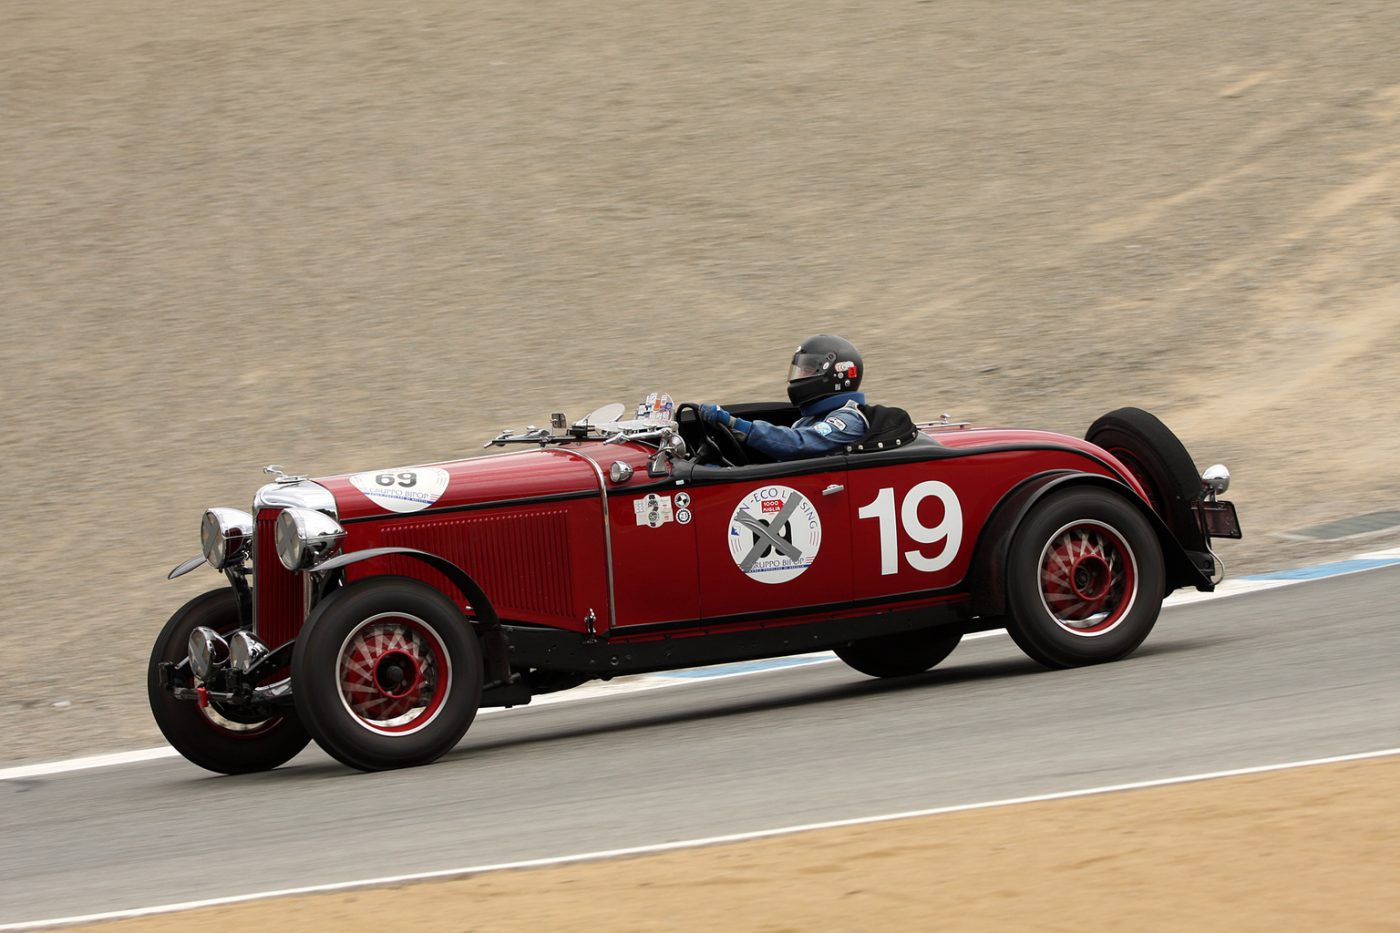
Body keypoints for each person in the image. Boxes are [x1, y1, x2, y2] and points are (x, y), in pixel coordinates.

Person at [700, 334, 870, 461]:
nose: (800, 375)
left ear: (837, 374)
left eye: (807, 369)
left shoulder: (848, 419)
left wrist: (737, 425)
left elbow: (798, 444)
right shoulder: (805, 422)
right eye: (800, 369)